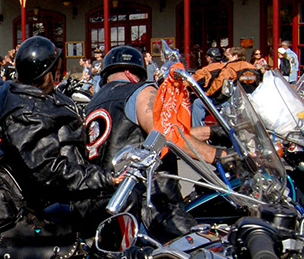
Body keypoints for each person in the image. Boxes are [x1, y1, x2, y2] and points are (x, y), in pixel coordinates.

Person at [0, 36, 114, 228]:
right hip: (53, 200)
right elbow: (49, 170)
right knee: (125, 202)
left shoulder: (46, 97)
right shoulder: (26, 113)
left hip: (73, 187)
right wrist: (104, 178)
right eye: (56, 68)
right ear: (47, 72)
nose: (59, 71)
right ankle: (105, 258)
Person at [84, 45, 215, 168]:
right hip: (143, 187)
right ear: (132, 74)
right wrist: (217, 155)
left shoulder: (92, 103)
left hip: (104, 184)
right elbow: (166, 134)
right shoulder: (141, 91)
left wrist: (212, 132)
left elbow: (146, 133)